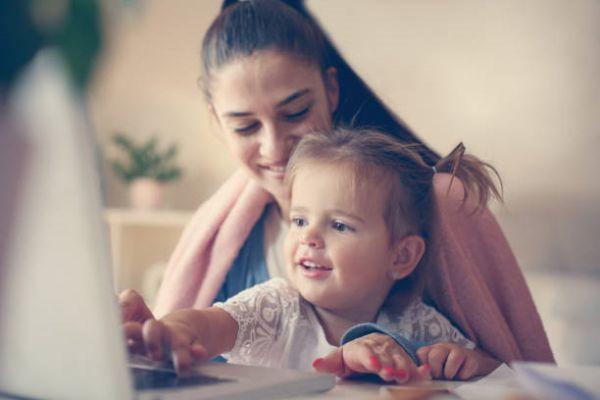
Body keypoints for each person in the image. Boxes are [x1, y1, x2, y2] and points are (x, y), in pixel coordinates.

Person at [120, 0, 553, 368]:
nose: (275, 147)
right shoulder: (232, 250)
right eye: (245, 125)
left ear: (330, 89)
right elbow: (205, 332)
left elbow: (503, 368)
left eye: (294, 112)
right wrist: (157, 337)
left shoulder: (430, 208)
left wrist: (468, 364)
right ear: (217, 121)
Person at [127, 128, 503, 381]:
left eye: (339, 225)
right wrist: (176, 331)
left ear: (402, 256)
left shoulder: (414, 322)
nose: (309, 238)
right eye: (300, 220)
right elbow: (207, 325)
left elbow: (495, 369)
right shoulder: (275, 308)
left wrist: (466, 362)